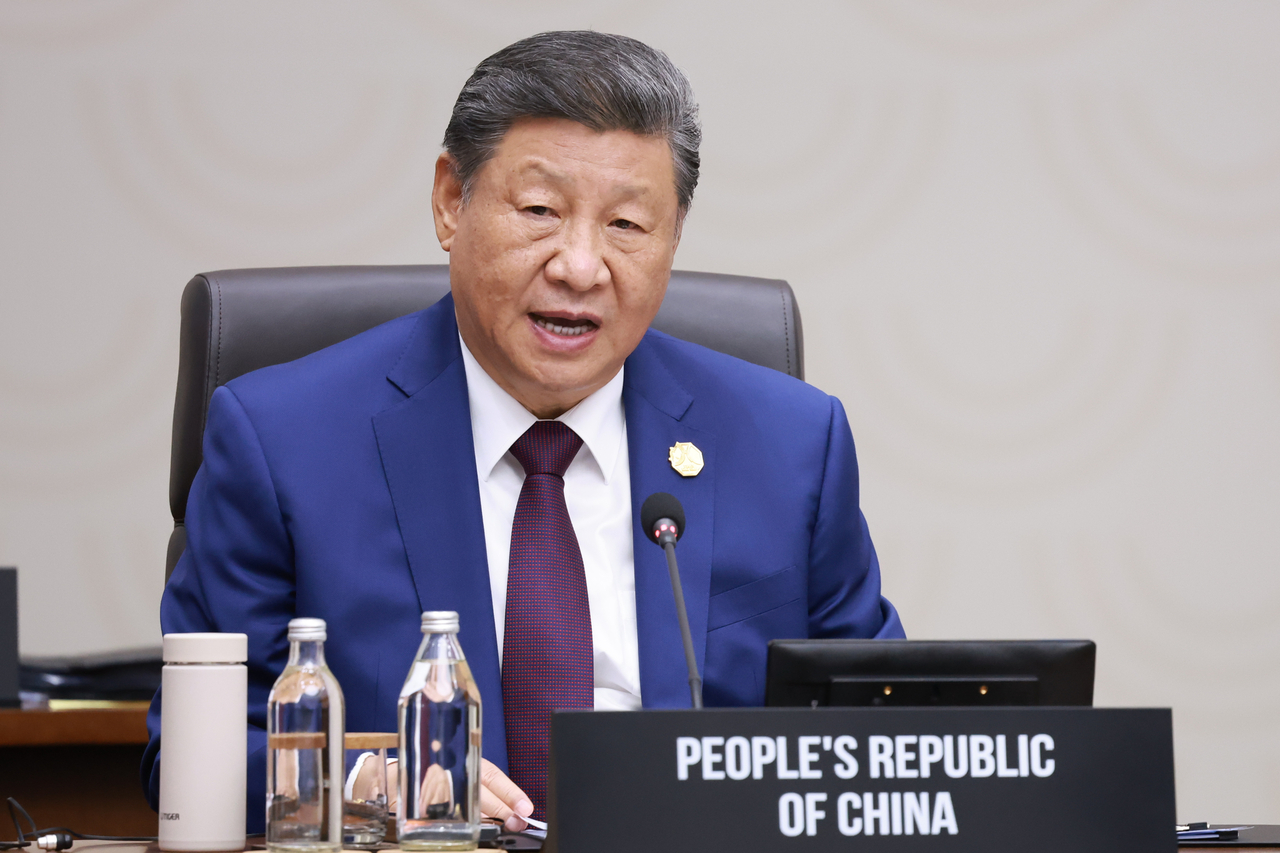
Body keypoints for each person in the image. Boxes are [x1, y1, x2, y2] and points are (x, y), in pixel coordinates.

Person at [142, 30, 905, 832]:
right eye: (540, 211)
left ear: (674, 235)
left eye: (628, 225)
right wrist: (366, 781)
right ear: (449, 200)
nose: (581, 265)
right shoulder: (281, 441)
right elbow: (191, 759)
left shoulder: (789, 445)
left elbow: (885, 737)